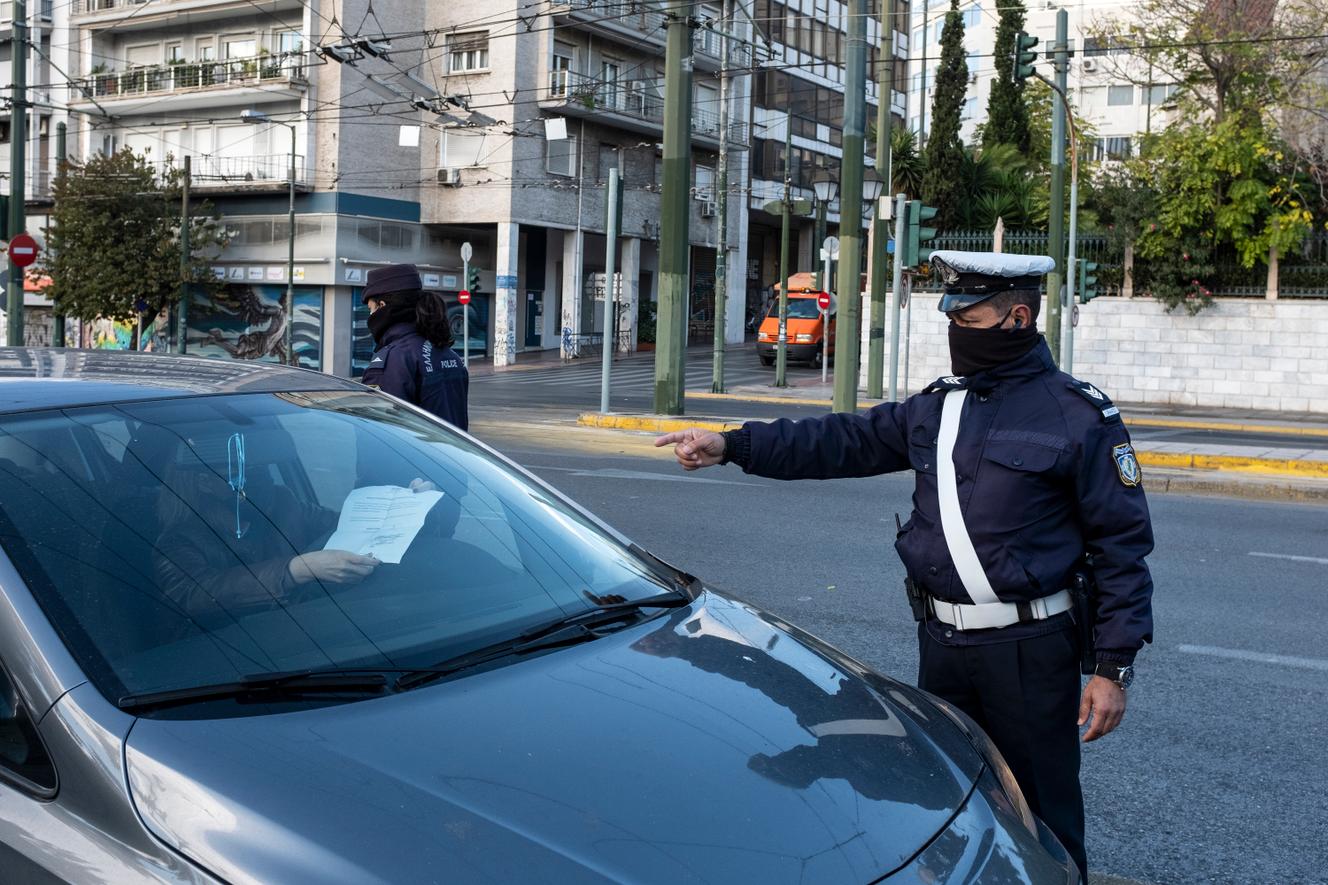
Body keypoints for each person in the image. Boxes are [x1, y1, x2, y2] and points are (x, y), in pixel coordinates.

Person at [655, 250, 1154, 881]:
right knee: (949, 799)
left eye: (967, 318)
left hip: (1030, 650)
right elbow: (840, 441)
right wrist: (733, 444)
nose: (954, 331)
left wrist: (1113, 666)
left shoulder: (1078, 415)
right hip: (942, 643)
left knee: (1042, 815)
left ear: (1018, 317)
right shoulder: (938, 407)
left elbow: (1123, 544)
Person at [361, 263, 469, 431]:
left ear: (382, 306)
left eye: (371, 309)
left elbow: (379, 433)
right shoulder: (449, 355)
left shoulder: (394, 359)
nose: (370, 316)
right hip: (452, 456)